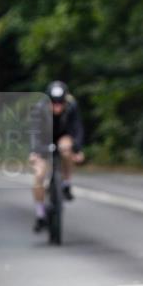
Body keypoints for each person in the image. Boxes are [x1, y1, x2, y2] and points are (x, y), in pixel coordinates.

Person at [30, 81, 85, 232]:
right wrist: (35, 152)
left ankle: (66, 183)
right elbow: (34, 133)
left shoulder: (72, 106)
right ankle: (40, 213)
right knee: (39, 174)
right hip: (43, 139)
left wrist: (78, 150)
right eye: (54, 103)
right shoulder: (39, 108)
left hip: (63, 137)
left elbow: (77, 129)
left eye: (61, 103)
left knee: (66, 148)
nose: (57, 107)